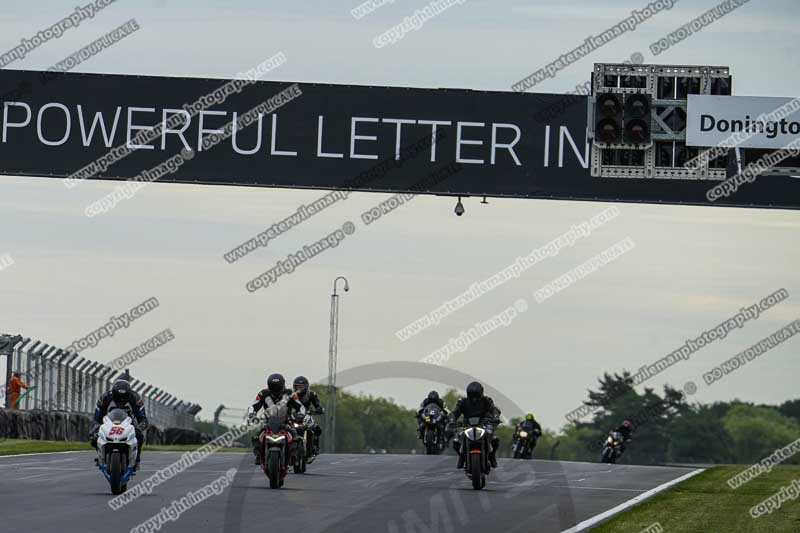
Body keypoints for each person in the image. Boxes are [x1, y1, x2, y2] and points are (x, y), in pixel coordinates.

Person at [89, 379, 148, 471]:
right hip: (108, 423)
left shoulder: (135, 398)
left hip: (129, 424)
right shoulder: (105, 398)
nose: (121, 400)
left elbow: (143, 418)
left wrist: (139, 428)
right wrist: (95, 429)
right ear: (114, 393)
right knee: (94, 438)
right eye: (118, 397)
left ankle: (136, 460)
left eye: (124, 397)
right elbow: (97, 417)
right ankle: (101, 457)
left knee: (140, 437)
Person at [249, 373, 305, 465]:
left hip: (286, 421)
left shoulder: (290, 394)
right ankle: (259, 454)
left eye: (277, 386)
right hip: (269, 421)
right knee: (257, 435)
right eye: (273, 387)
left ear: (283, 385)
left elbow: (300, 406)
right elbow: (253, 405)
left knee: (295, 435)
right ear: (269, 386)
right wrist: (252, 414)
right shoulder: (263, 393)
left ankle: (294, 456)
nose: (276, 389)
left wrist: (300, 415)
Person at [448, 382, 501, 469]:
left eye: (476, 397)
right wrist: (452, 420)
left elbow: (493, 409)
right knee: (456, 441)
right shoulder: (462, 401)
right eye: (472, 397)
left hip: (483, 424)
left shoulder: (487, 400)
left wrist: (495, 416)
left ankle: (492, 457)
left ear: (481, 394)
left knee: (495, 439)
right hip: (467, 425)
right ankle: (462, 456)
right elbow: (455, 412)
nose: (474, 399)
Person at [292, 376, 325, 456]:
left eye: (302, 387)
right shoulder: (291, 395)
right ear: (294, 387)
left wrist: (318, 409)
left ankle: (315, 447)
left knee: (317, 429)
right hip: (294, 416)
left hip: (307, 415)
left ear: (306, 387)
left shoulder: (311, 394)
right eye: (298, 387)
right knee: (286, 429)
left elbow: (317, 405)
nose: (300, 389)